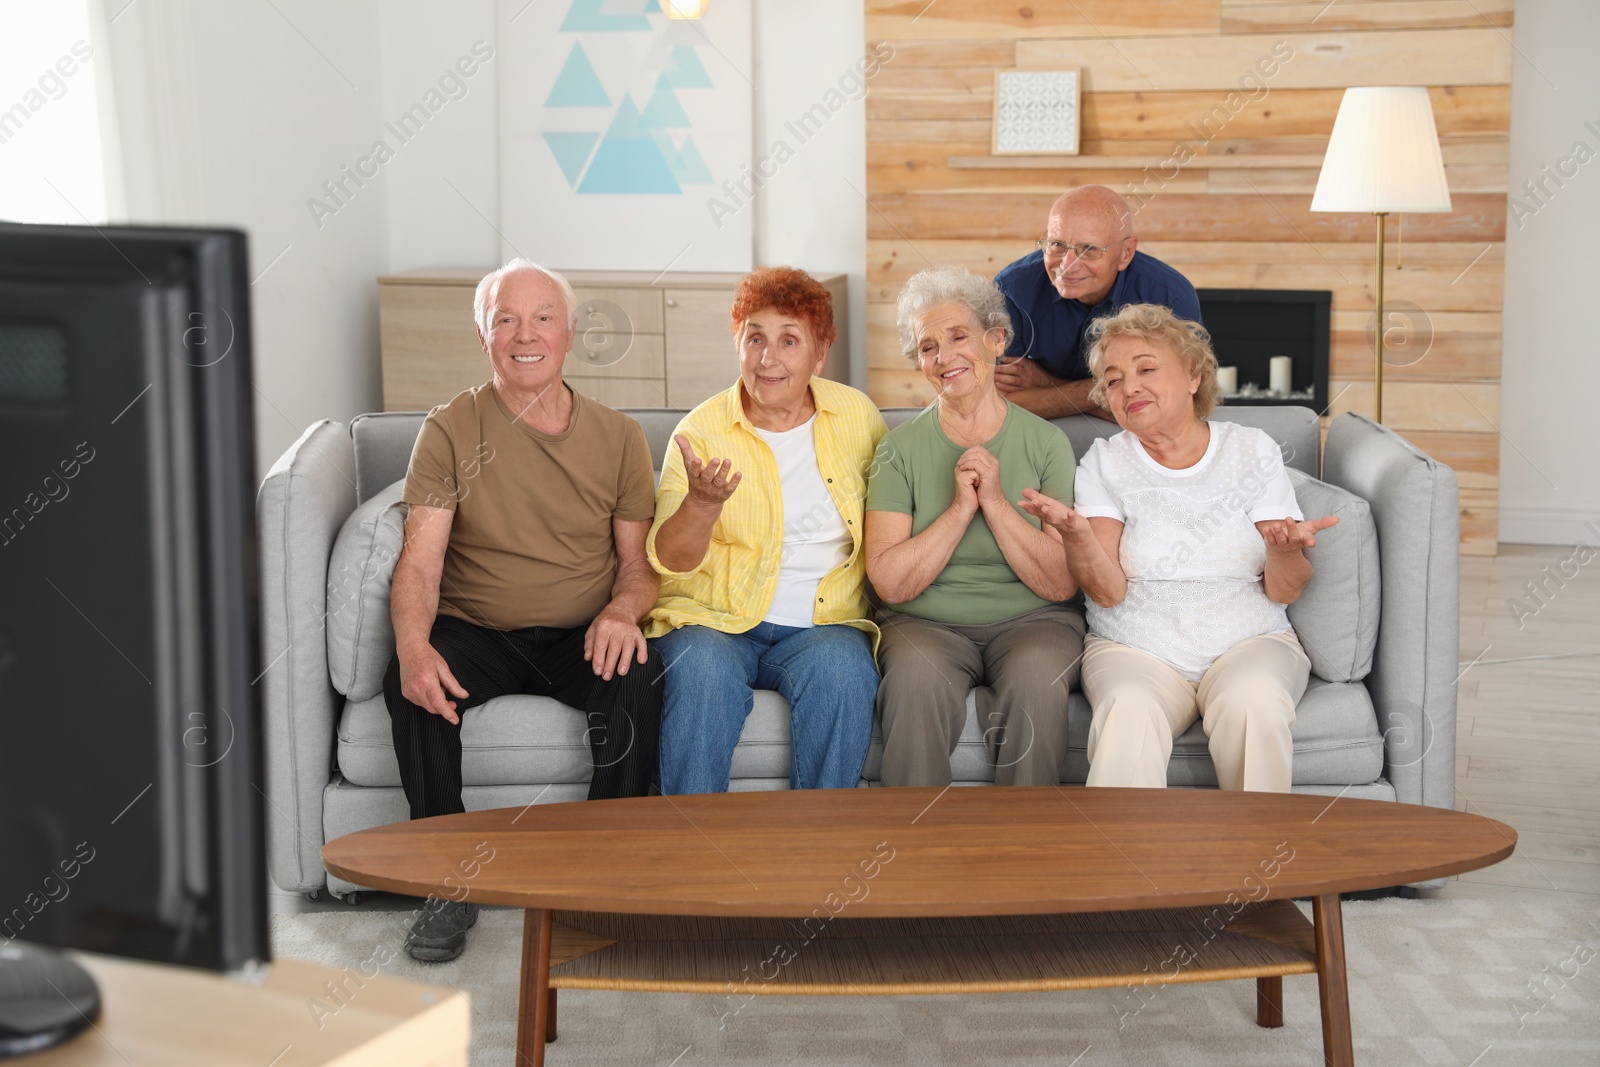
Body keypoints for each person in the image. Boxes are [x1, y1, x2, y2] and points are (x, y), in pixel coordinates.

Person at [383, 258, 663, 961]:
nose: (524, 333)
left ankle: (607, 875)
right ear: (483, 336)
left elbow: (638, 567)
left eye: (541, 317)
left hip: (581, 631)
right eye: (505, 318)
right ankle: (444, 885)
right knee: (409, 680)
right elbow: (419, 560)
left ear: (568, 334)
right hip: (481, 629)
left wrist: (623, 612)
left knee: (637, 671)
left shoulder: (620, 436)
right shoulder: (448, 428)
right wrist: (416, 650)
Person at [1018, 303, 1338, 793]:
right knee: (1127, 711)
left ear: (1193, 375)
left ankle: (1258, 866)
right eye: (1115, 379)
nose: (1130, 388)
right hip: (1136, 648)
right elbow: (1107, 593)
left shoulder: (1250, 450)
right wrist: (1078, 538)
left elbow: (1284, 593)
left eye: (1146, 369)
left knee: (1253, 701)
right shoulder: (1103, 462)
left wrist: (1285, 552)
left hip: (1249, 641)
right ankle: (1125, 869)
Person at [648, 267, 886, 795]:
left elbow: (893, 516)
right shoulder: (699, 431)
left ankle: (820, 847)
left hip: (823, 624)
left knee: (844, 673)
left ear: (819, 355)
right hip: (714, 620)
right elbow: (671, 559)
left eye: (789, 340)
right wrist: (702, 506)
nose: (767, 358)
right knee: (701, 672)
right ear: (738, 343)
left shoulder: (857, 418)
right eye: (754, 338)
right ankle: (690, 847)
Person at [865, 266, 1084, 788]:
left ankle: (1022, 859)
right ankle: (913, 856)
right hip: (924, 624)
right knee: (914, 685)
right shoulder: (897, 450)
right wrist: (960, 509)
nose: (944, 358)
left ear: (997, 339)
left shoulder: (1047, 443)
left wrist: (996, 503)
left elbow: (1060, 582)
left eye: (959, 336)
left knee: (1035, 683)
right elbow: (890, 582)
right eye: (927, 347)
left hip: (1036, 621)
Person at [993, 185, 1201, 421]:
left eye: (1089, 249)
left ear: (1126, 253)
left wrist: (1047, 383)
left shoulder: (1170, 297)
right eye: (1057, 245)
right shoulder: (1011, 291)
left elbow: (1178, 407)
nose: (1067, 265)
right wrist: (1116, 390)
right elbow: (998, 405)